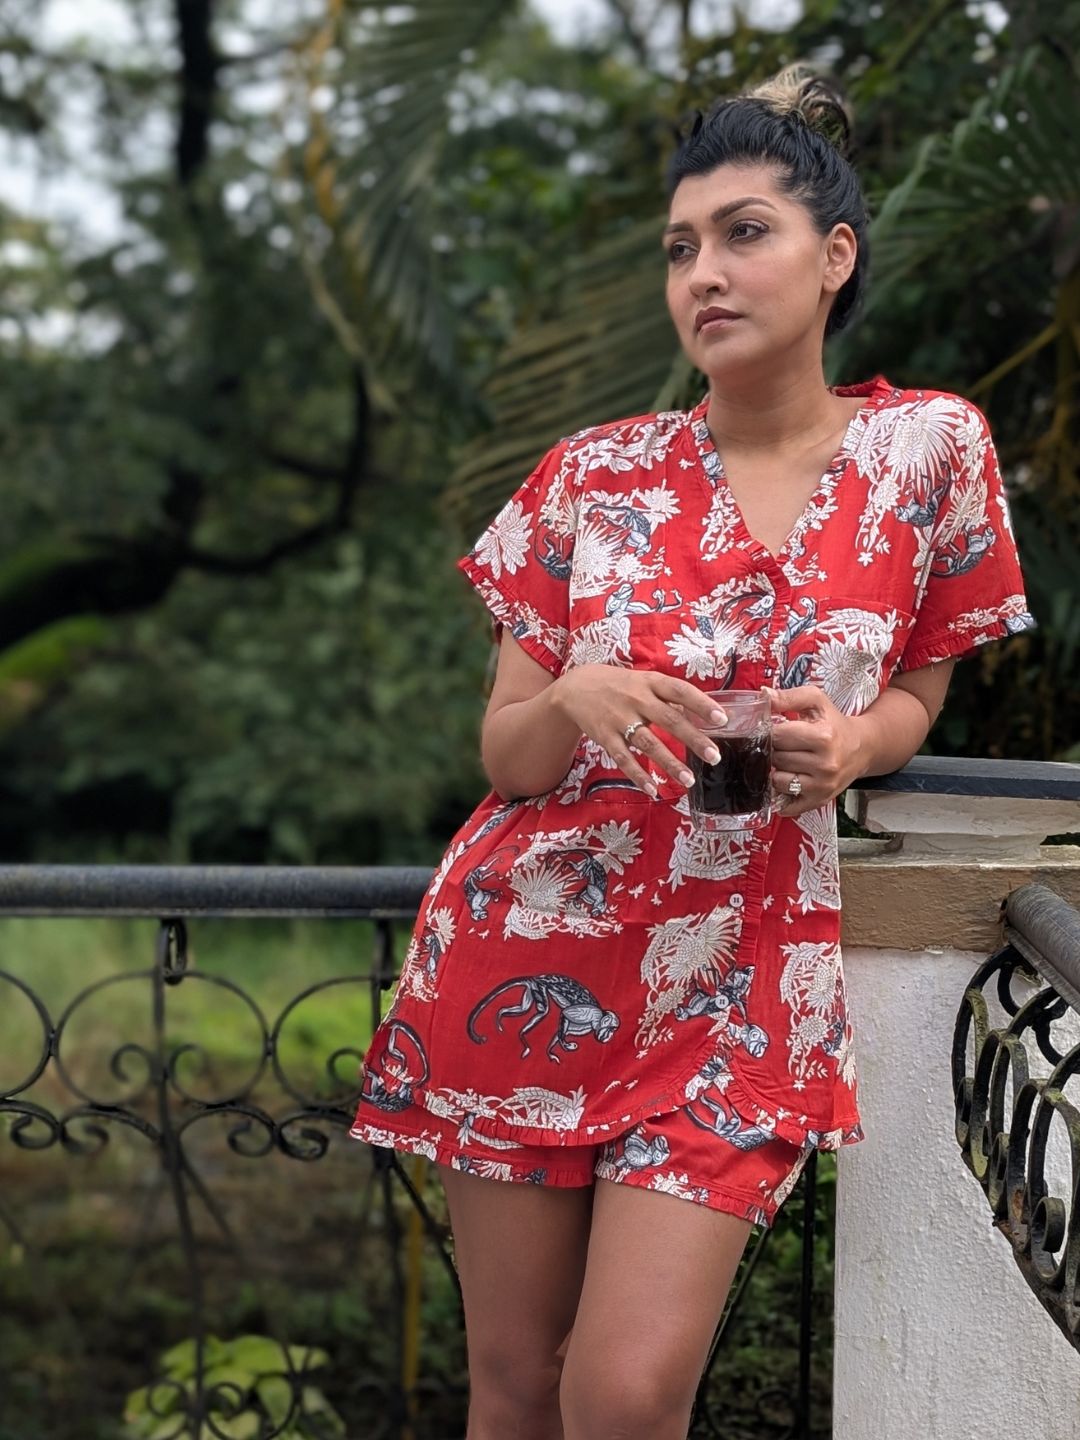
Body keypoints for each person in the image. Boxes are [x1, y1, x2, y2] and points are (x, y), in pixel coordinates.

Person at [350, 65, 1035, 1440]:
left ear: (836, 257)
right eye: (679, 248)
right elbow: (508, 759)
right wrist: (576, 695)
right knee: (515, 1388)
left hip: (744, 971)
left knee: (624, 1392)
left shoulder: (928, 452)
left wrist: (855, 746)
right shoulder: (588, 475)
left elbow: (921, 687)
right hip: (526, 950)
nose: (703, 274)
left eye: (744, 233)